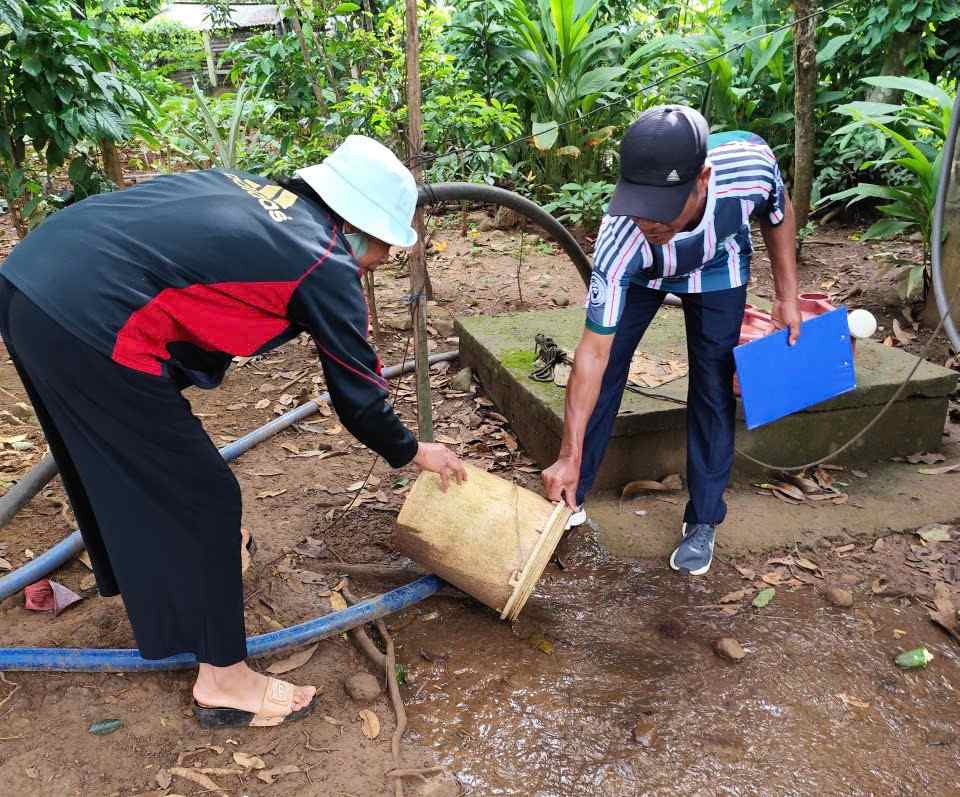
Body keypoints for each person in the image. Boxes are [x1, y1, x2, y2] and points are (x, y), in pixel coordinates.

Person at [0, 135, 467, 727]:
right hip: (90, 317)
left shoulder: (257, 193)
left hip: (30, 282)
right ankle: (224, 680)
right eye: (385, 247)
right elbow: (359, 396)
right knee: (208, 494)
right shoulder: (323, 260)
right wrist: (411, 449)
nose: (380, 260)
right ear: (358, 227)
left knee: (115, 450)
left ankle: (179, 565)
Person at [542, 105, 800, 576]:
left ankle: (703, 519)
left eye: (662, 208)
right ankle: (573, 493)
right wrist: (566, 455)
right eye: (639, 205)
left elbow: (778, 213)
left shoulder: (748, 168)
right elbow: (592, 354)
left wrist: (787, 296)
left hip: (719, 267)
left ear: (703, 179)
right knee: (609, 368)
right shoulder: (623, 235)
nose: (648, 220)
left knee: (713, 384)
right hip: (644, 271)